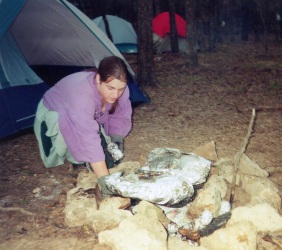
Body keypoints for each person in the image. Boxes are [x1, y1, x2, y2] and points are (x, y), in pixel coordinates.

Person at [34, 56, 132, 198]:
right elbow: (87, 137)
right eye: (110, 88)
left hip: (83, 114)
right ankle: (75, 160)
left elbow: (121, 115)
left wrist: (116, 138)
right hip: (54, 113)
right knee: (85, 146)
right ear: (98, 79)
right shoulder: (81, 95)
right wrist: (105, 181)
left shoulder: (119, 88)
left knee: (108, 160)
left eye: (120, 89)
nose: (115, 94)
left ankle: (88, 158)